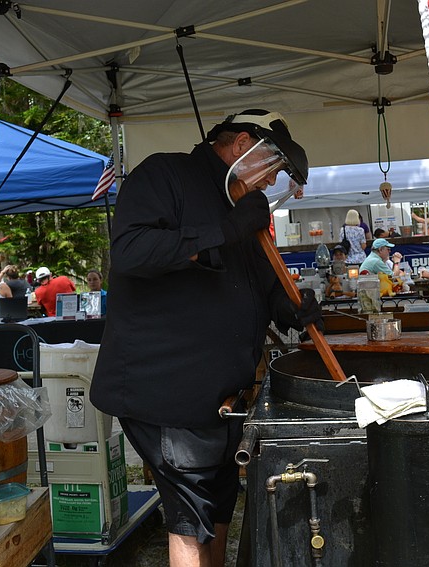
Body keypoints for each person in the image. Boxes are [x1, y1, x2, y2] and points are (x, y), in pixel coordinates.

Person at [89, 108, 321, 567]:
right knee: (190, 517)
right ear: (241, 145)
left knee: (217, 506)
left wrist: (288, 306)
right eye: (273, 168)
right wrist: (227, 229)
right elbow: (131, 252)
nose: (272, 183)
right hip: (166, 389)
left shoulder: (237, 201)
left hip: (219, 396)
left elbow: (259, 278)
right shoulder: (165, 174)